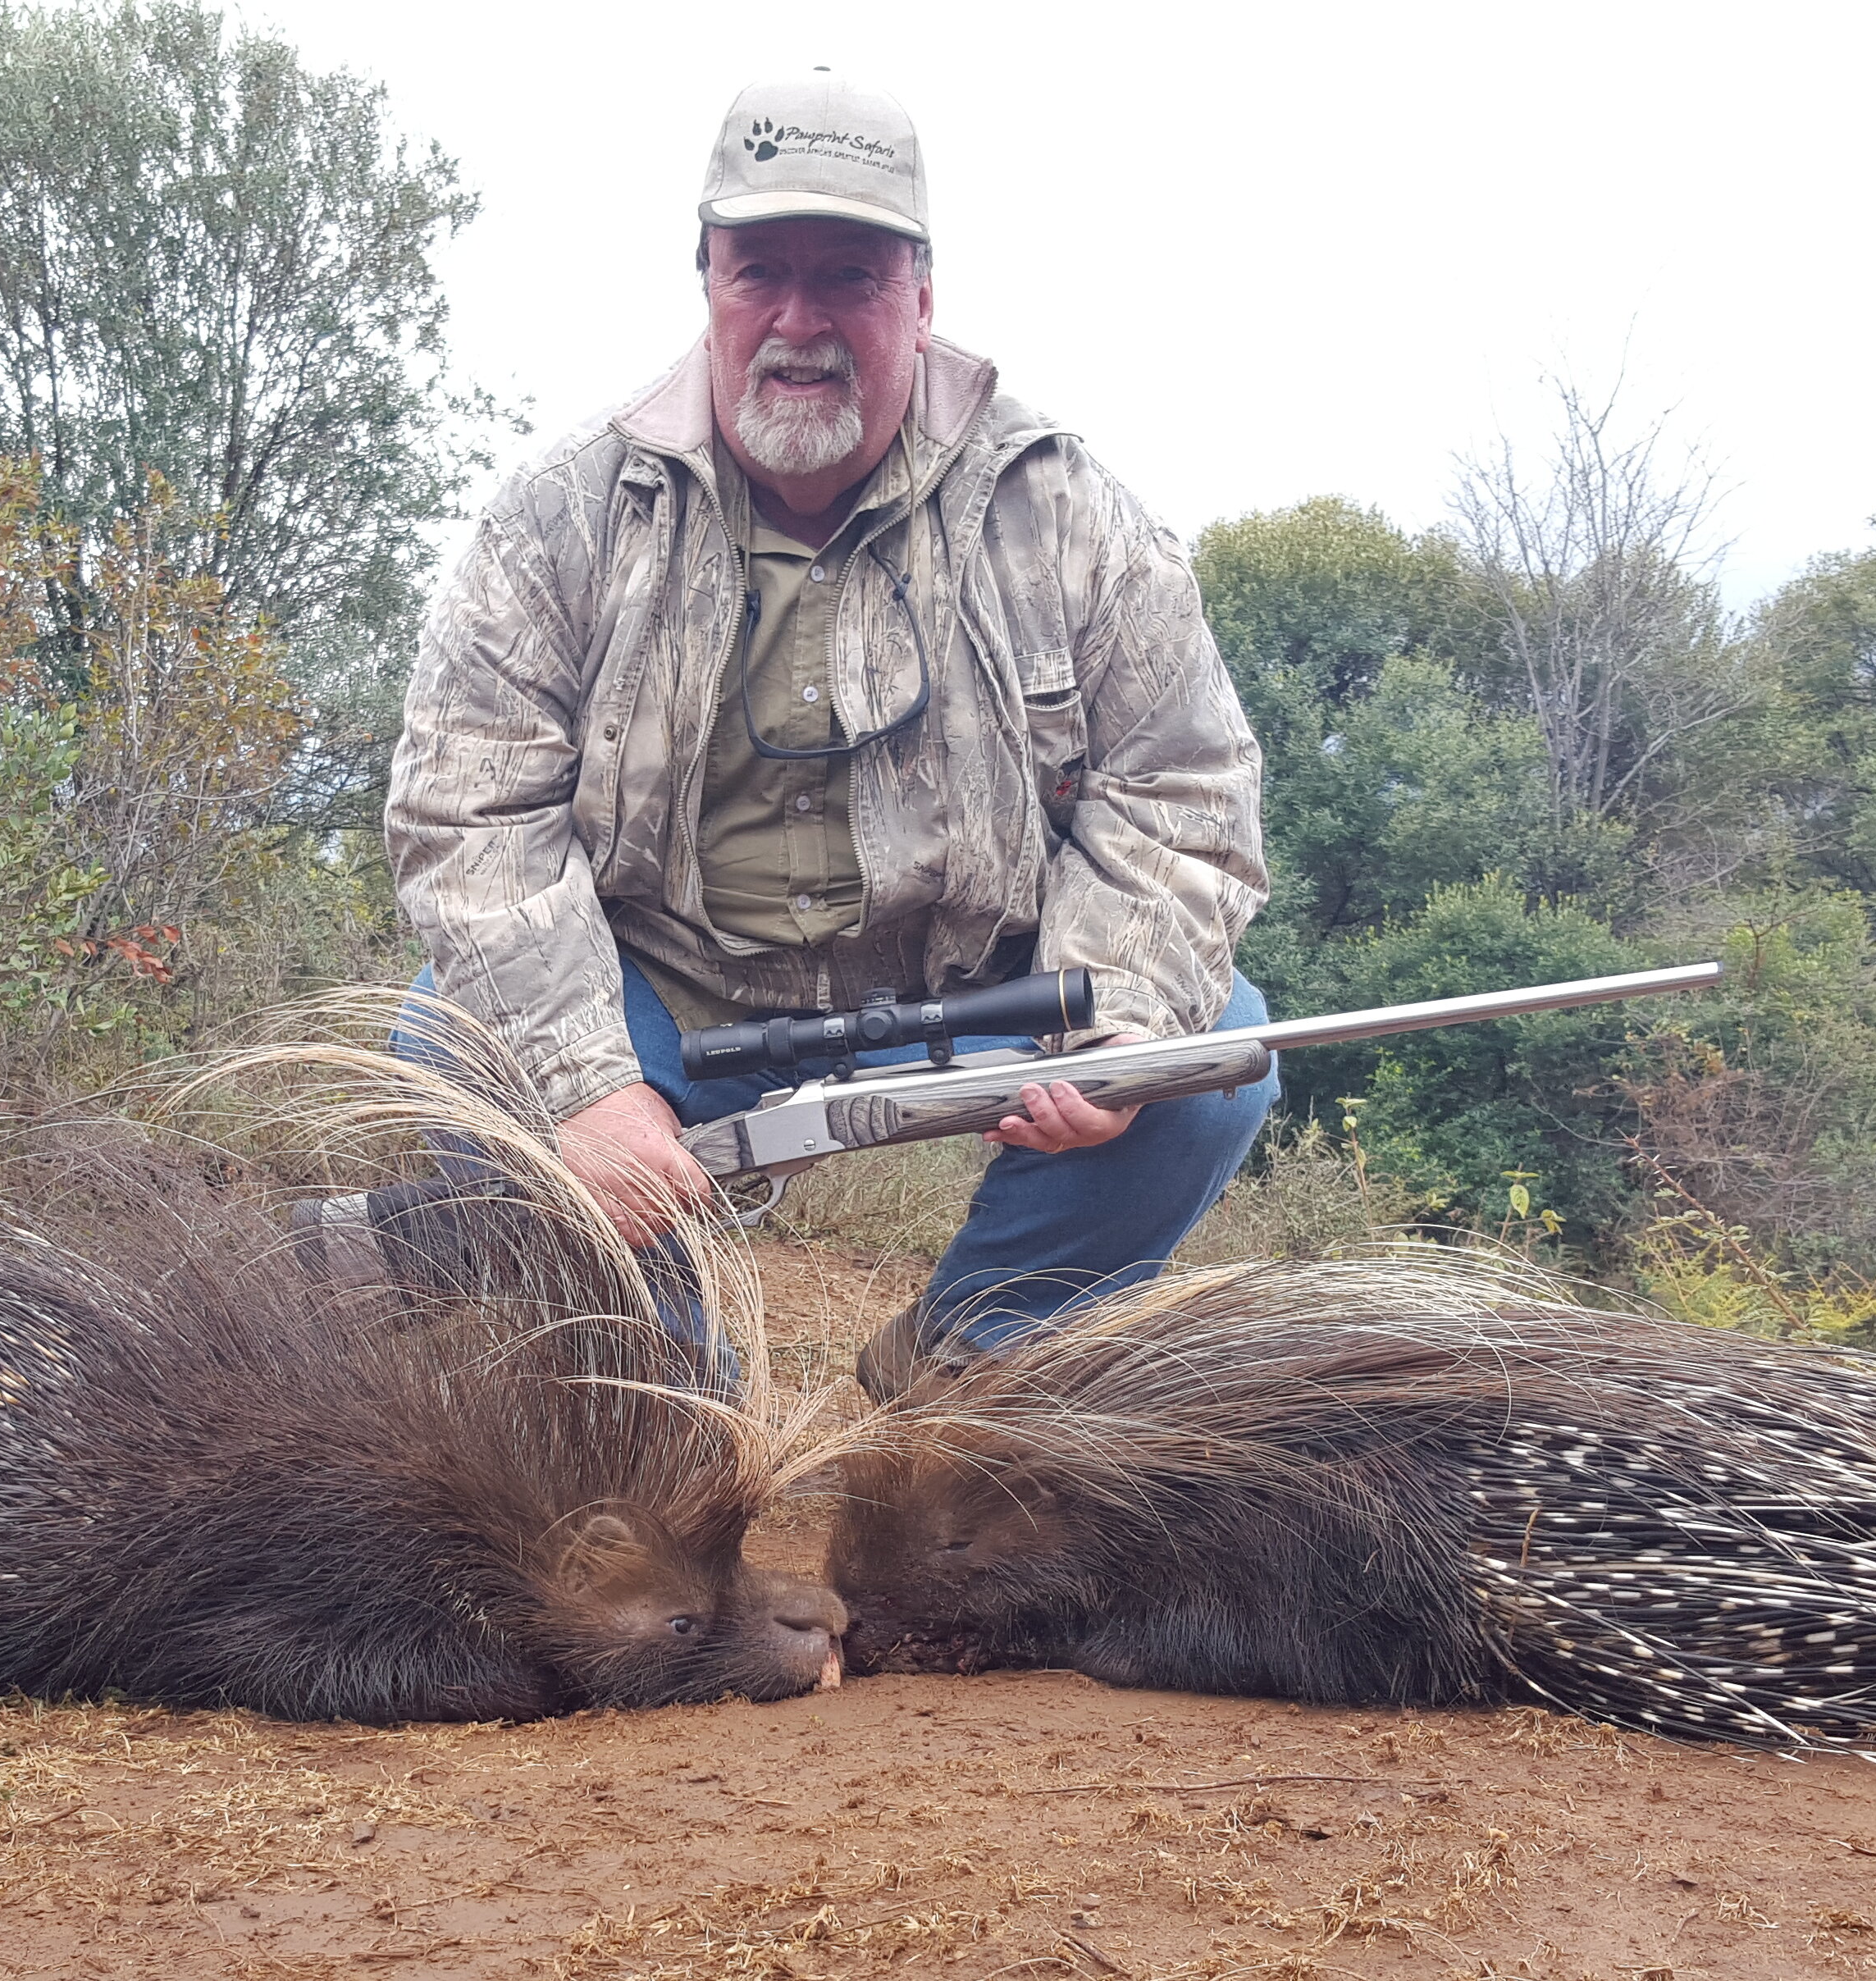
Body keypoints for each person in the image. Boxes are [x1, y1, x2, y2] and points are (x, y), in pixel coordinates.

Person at [383, 70, 1275, 1395]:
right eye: (762, 273)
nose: (799, 321)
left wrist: (1119, 1019)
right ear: (707, 283)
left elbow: (1179, 793)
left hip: (974, 990)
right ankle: (670, 1397)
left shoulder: (1072, 514)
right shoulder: (557, 517)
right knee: (450, 1047)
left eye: (848, 276)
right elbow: (468, 816)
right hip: (667, 988)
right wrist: (585, 1083)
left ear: (920, 297)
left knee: (1212, 1060)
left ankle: (962, 1369)